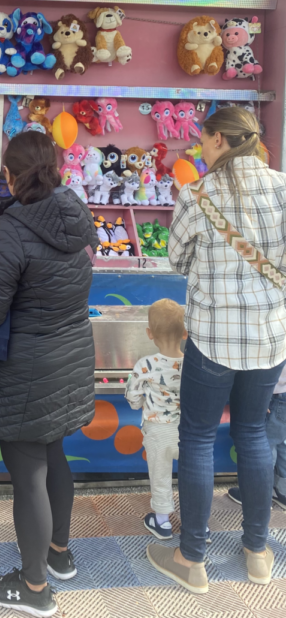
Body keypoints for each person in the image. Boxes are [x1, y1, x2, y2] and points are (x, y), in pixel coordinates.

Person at [148, 107, 286, 594]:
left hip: (212, 341)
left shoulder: (197, 194)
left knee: (199, 439)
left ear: (221, 140)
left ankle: (191, 558)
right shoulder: (284, 186)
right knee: (253, 435)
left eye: (203, 141)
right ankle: (257, 551)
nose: (199, 149)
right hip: (270, 341)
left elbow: (177, 257)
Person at [0, 130, 98, 617]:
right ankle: (60, 555)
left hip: (27, 371)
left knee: (30, 475)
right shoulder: (74, 213)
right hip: (71, 358)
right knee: (54, 453)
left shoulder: (11, 229)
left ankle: (35, 586)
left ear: (10, 174)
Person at [126, 299, 187, 539]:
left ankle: (162, 522)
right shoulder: (193, 363)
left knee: (160, 475)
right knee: (192, 475)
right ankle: (197, 523)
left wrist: (138, 404)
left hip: (158, 431)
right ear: (185, 332)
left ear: (149, 334)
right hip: (187, 431)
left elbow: (132, 394)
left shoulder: (145, 365)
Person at [227, 362, 286, 510]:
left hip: (272, 396)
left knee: (264, 445)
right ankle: (282, 491)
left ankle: (257, 494)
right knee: (281, 443)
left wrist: (261, 397)